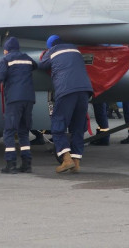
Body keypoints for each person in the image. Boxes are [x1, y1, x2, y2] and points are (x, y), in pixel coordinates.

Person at [0, 37, 37, 174]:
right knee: (24, 131)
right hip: (29, 99)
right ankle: (27, 164)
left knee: (9, 131)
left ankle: (11, 164)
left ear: (6, 50)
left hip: (14, 99)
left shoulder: (5, 60)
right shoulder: (27, 58)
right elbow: (35, 66)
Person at [38, 35, 93, 173]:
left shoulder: (52, 51)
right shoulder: (75, 49)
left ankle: (66, 159)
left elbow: (42, 65)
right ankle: (76, 163)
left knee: (58, 125)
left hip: (66, 90)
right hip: (85, 90)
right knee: (78, 127)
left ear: (50, 46)